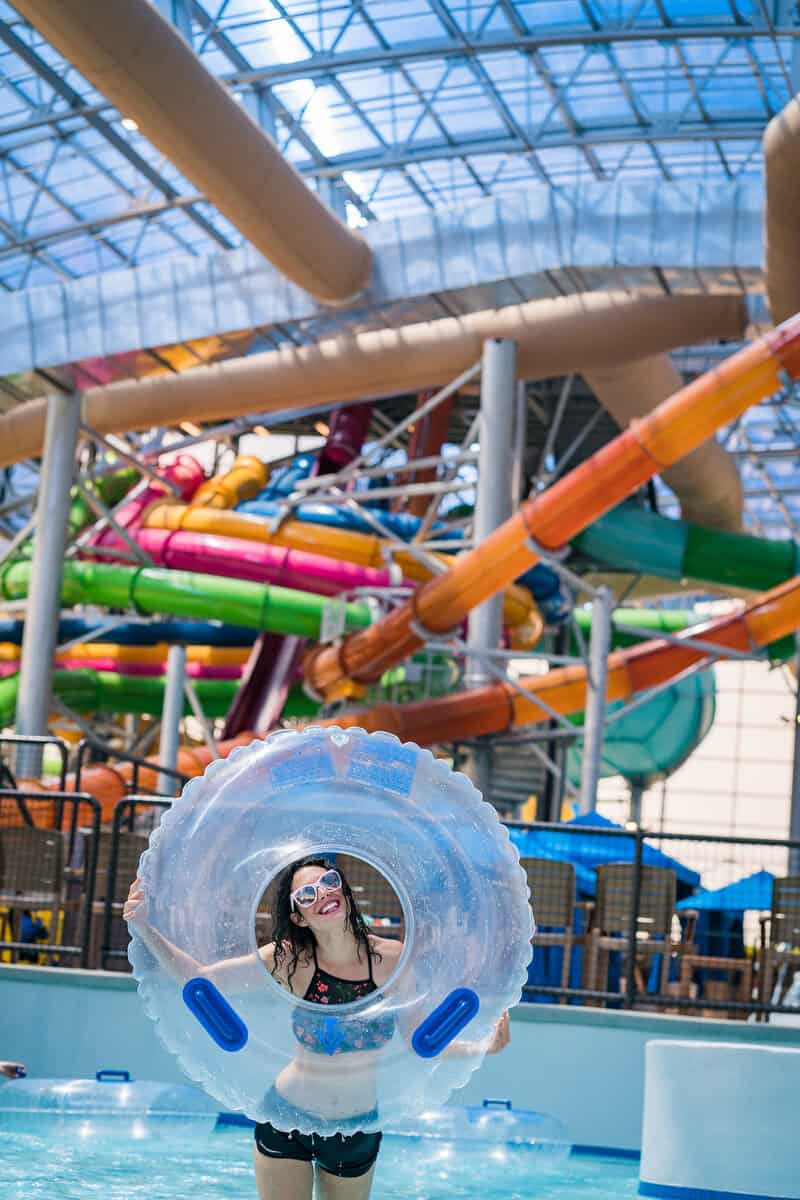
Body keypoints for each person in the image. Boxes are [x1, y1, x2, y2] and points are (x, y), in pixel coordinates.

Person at [125, 856, 510, 1200]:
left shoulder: (392, 959)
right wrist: (143, 927)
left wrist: (481, 1046)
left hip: (357, 1127)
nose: (323, 894)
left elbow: (419, 1040)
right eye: (307, 894)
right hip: (288, 1116)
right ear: (298, 916)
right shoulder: (292, 961)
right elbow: (201, 978)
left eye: (329, 882)